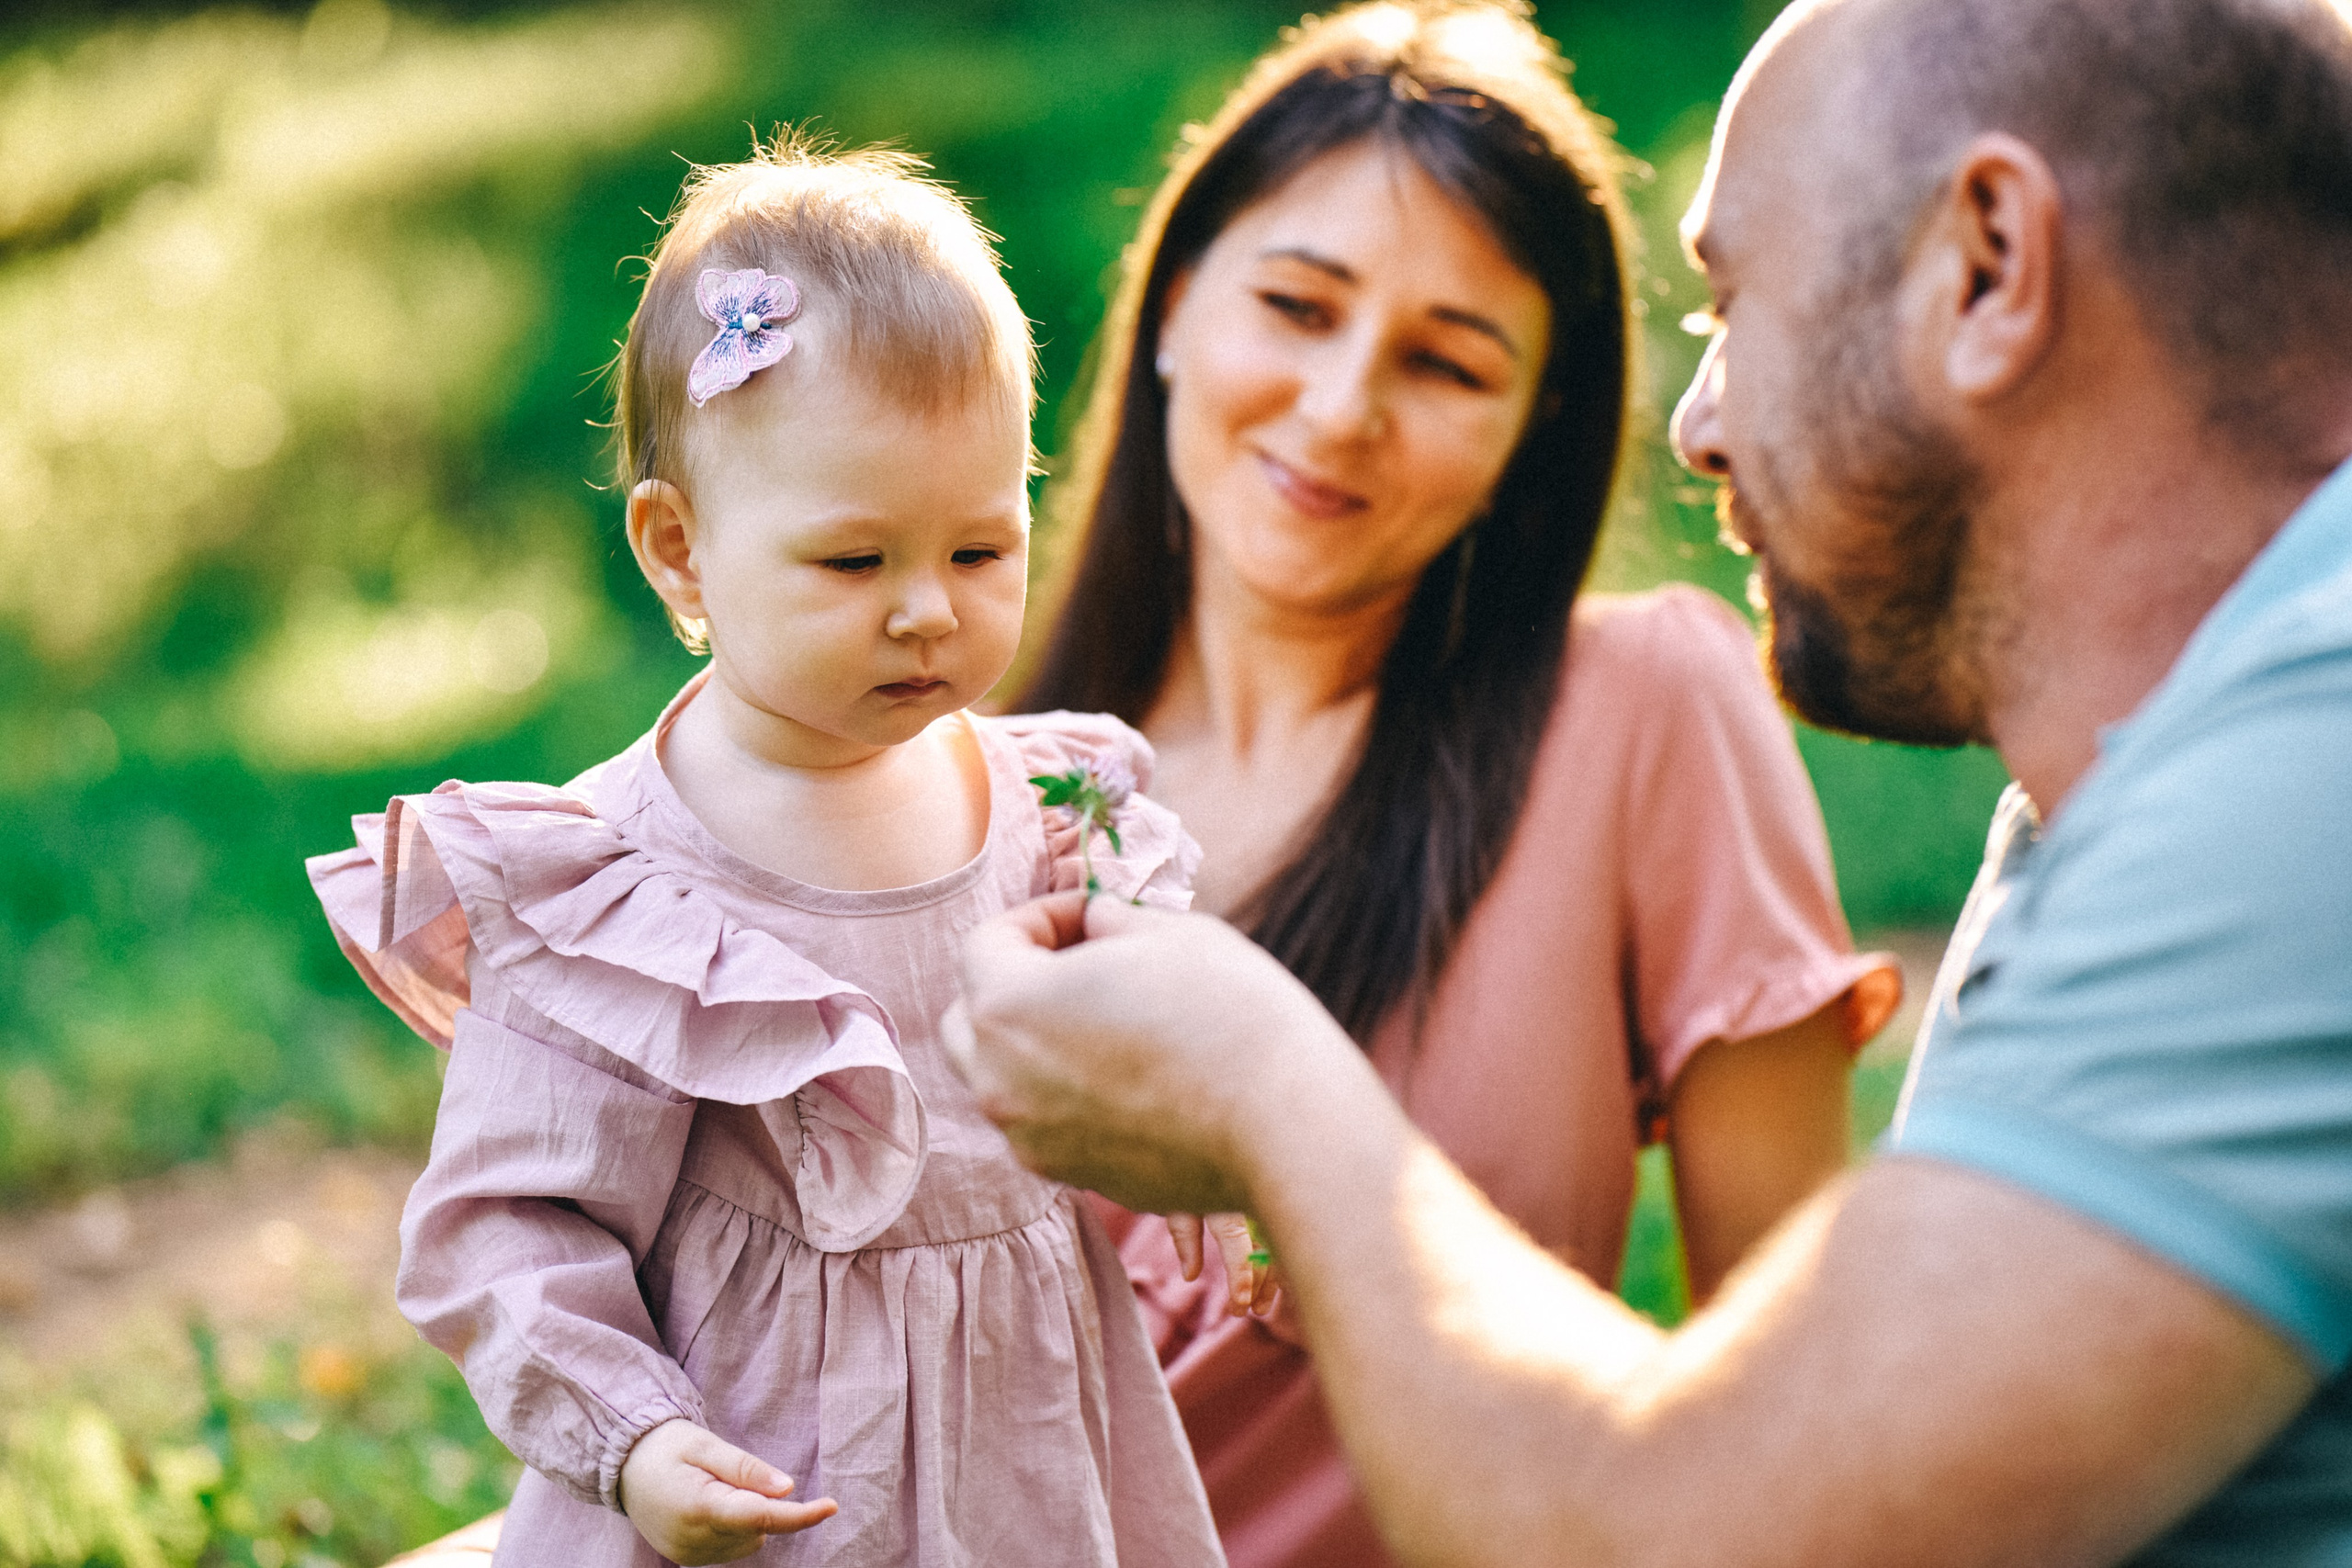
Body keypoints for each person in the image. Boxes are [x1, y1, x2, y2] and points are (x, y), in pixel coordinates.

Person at [951, 0, 2352, 1562]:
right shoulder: (2108, 822)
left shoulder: (2313, 777)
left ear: (1987, 265)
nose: (1695, 427)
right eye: (1295, 305)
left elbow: (1739, 1523)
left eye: (1730, 303)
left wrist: (1271, 1099)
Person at [1012, 6, 1902, 1562]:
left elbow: (1806, 1422)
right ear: (1171, 308)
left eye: (1446, 361)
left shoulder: (1642, 715)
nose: (1345, 404)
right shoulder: (988, 778)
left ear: (1528, 434)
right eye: (1296, 305)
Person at [306, 139, 1228, 1568]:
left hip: (1029, 1459)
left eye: (981, 550)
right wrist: (637, 1436)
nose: (927, 610)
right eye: (855, 563)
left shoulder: (1059, 810)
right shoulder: (615, 892)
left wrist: (1219, 1171)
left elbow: (1141, 1063)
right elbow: (512, 1221)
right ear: (679, 550)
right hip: (755, 1473)